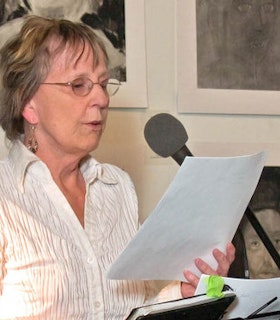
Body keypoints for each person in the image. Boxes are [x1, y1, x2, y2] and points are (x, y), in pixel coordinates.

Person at [0, 15, 235, 319]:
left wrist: (189, 292)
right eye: (79, 85)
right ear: (28, 103)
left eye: (102, 83)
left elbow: (138, 306)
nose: (100, 97)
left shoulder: (118, 187)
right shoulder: (6, 195)